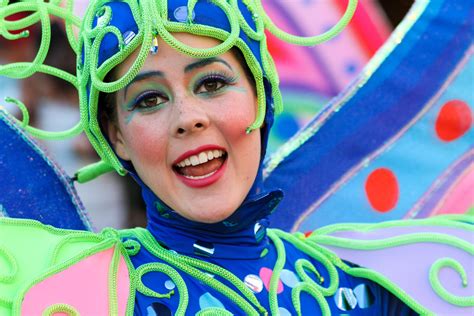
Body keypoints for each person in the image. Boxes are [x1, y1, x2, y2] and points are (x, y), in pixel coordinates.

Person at [0, 0, 471, 315]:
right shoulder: (81, 293)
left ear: (260, 97)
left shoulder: (367, 287)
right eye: (148, 100)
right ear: (116, 139)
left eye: (212, 84)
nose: (188, 118)